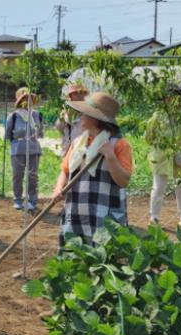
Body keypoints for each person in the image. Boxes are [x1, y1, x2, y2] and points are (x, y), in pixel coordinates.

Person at [51, 92, 134, 246]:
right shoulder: (78, 143)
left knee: (102, 260)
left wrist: (110, 156)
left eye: (85, 113)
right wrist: (58, 188)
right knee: (75, 258)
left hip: (104, 218)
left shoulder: (119, 145)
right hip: (75, 213)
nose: (81, 116)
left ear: (96, 119)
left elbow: (123, 181)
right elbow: (65, 170)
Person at [145, 88, 181, 232]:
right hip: (161, 156)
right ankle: (154, 218)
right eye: (170, 97)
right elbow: (149, 137)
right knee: (159, 187)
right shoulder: (158, 116)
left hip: (180, 156)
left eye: (178, 98)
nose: (173, 101)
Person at [5, 87, 44, 212]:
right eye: (24, 99)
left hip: (34, 149)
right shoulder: (14, 116)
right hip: (18, 150)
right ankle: (17, 199)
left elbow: (41, 132)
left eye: (29, 99)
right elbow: (8, 135)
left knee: (32, 176)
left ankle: (32, 201)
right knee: (18, 175)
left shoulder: (37, 115)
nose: (27, 101)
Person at [56, 83, 88, 155]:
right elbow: (59, 127)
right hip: (67, 153)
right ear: (70, 96)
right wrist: (63, 117)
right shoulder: (66, 112)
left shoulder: (89, 113)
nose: (80, 96)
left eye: (82, 93)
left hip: (82, 155)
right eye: (76, 94)